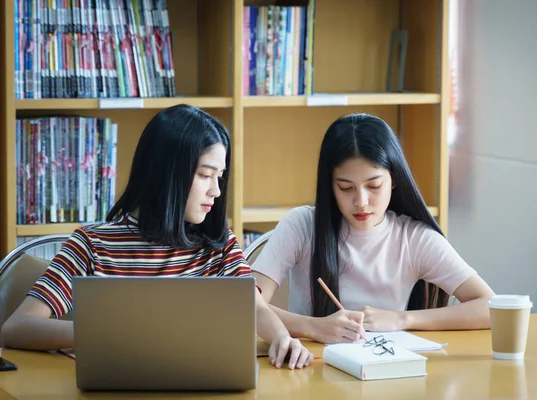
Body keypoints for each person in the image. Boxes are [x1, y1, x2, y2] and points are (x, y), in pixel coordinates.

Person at [1, 104, 313, 370]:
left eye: (220, 177)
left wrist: (283, 338)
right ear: (167, 173)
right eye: (205, 175)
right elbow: (16, 328)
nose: (216, 191)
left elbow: (254, 306)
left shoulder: (218, 243)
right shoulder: (92, 245)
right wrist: (109, 335)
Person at [252, 113, 495, 344]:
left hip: (386, 373)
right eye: (346, 188)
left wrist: (402, 319)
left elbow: (490, 306)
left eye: (374, 186)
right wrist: (313, 327)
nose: (361, 202)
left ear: (394, 180)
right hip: (310, 366)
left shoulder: (414, 239)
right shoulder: (301, 226)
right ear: (330, 186)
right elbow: (245, 303)